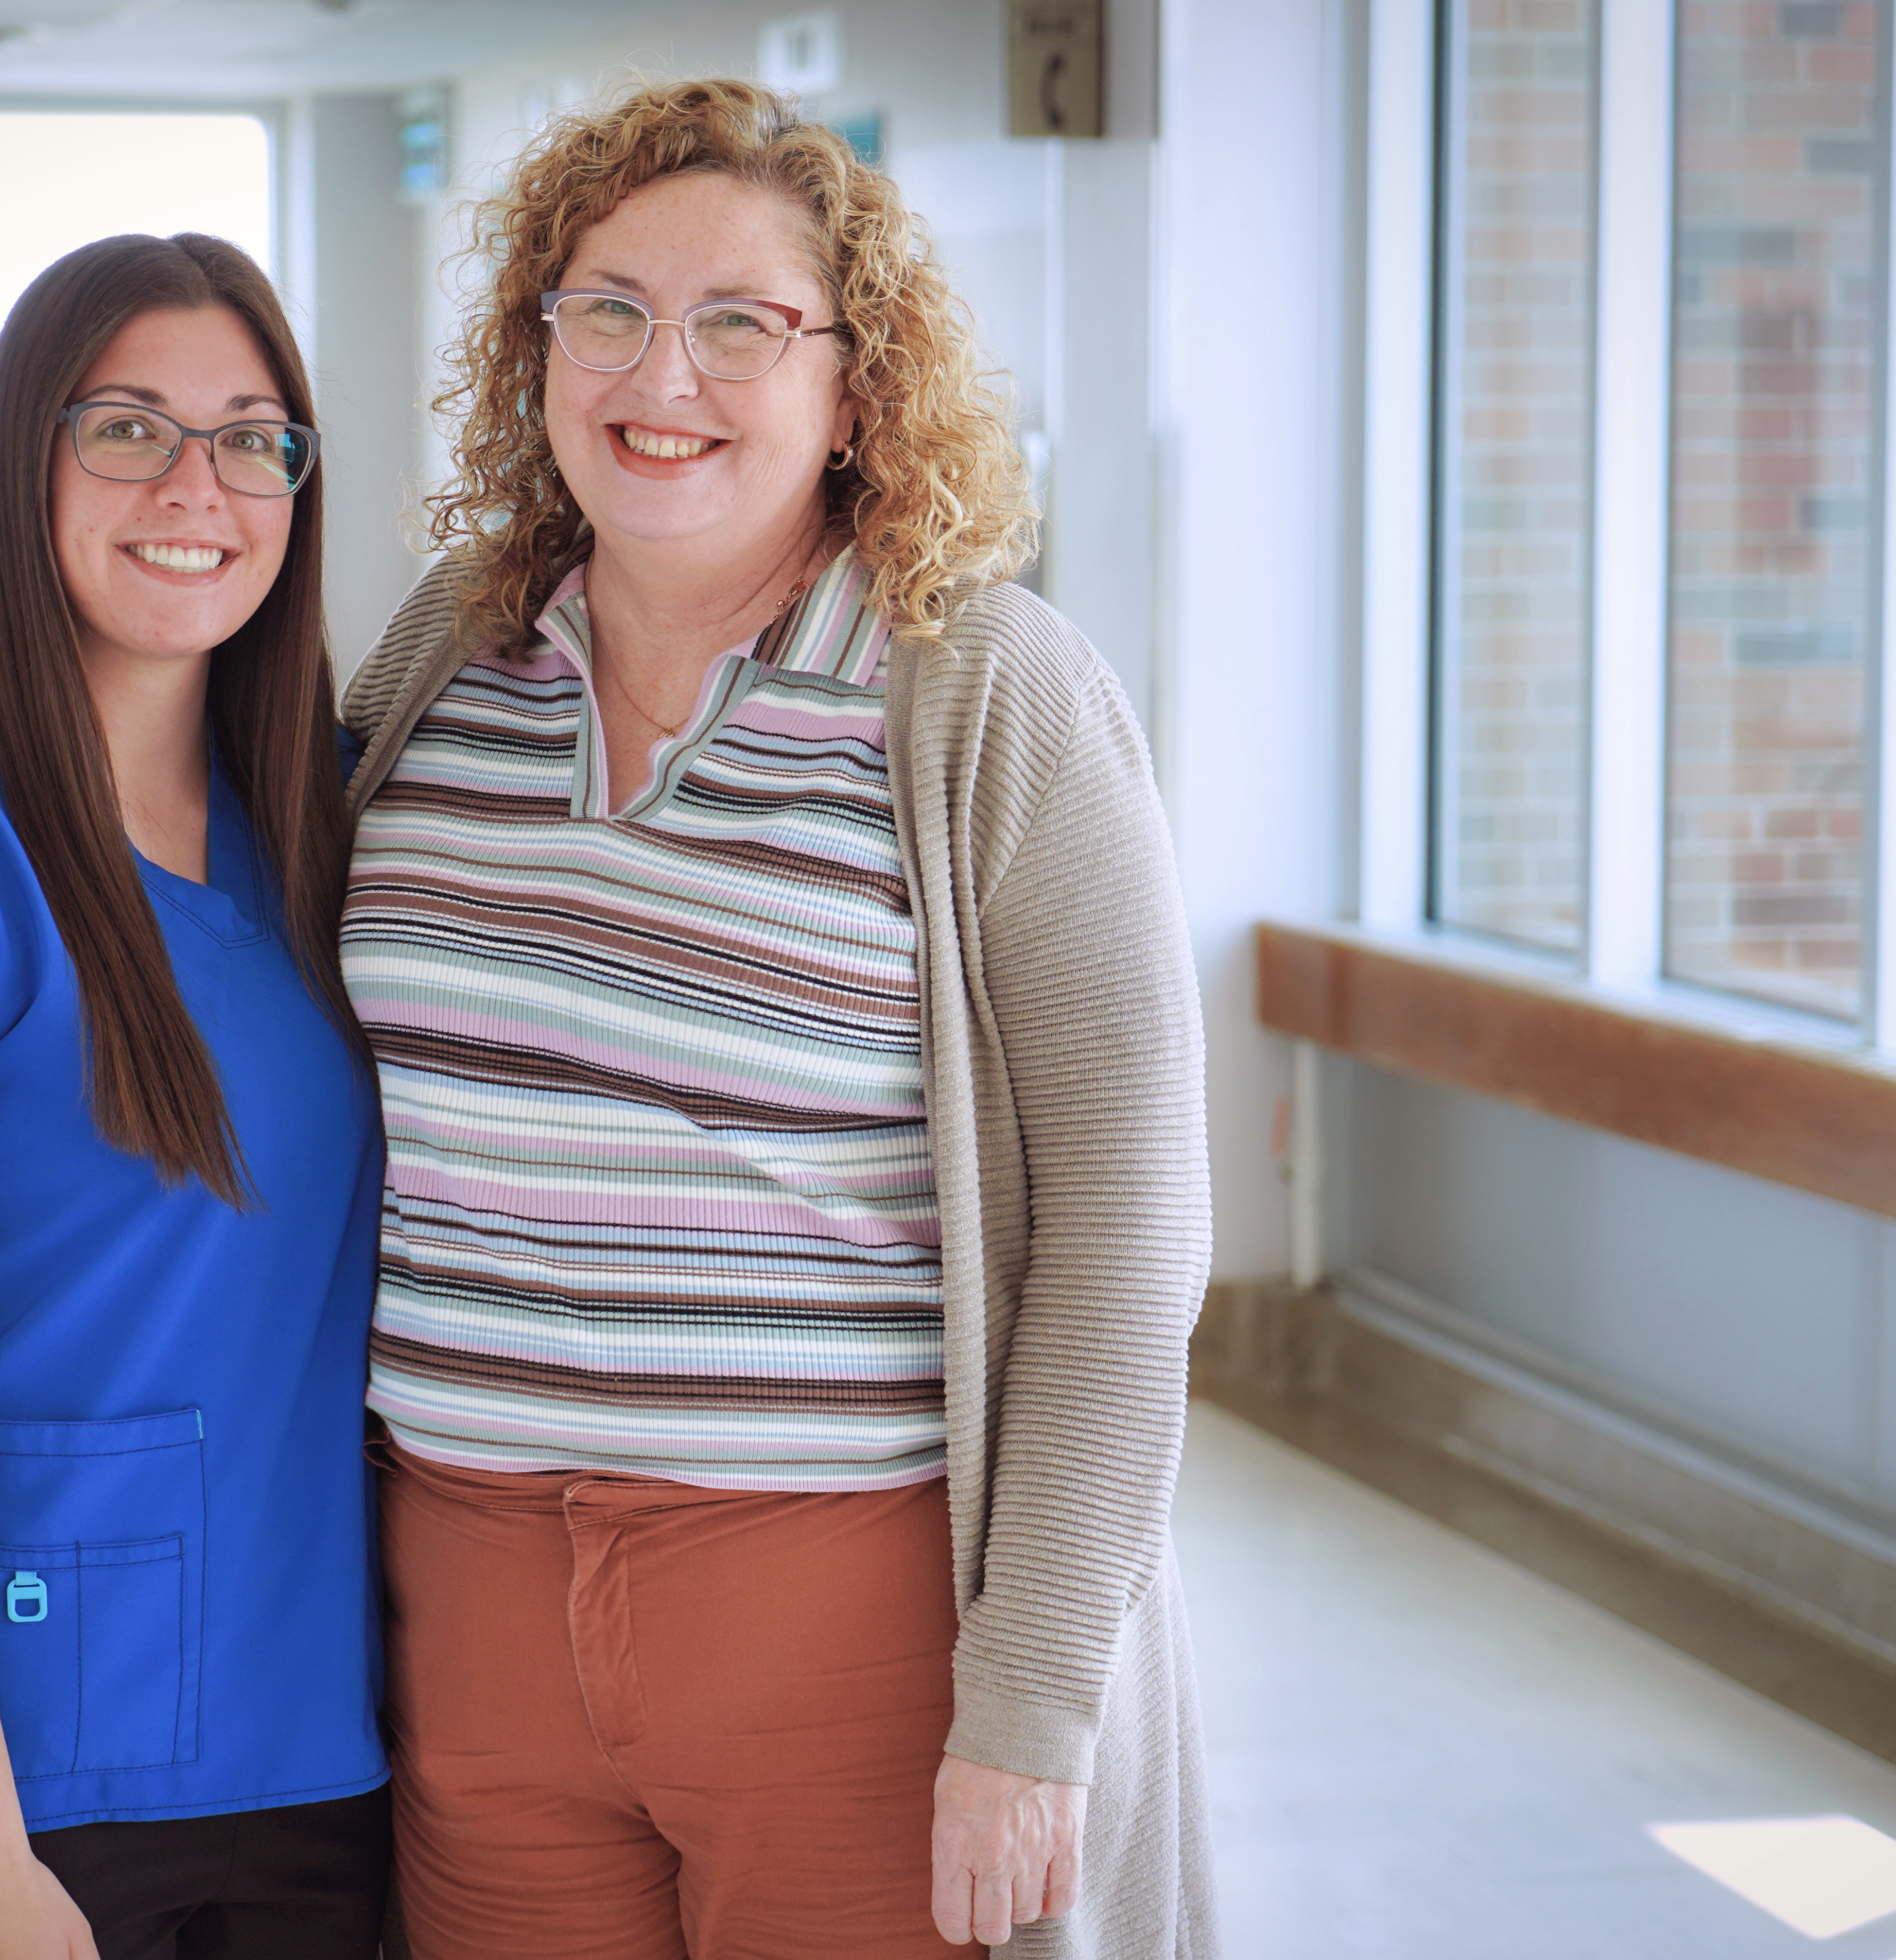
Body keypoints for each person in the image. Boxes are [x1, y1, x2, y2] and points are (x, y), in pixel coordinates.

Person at [339, 78, 1213, 1960]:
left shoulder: (984, 691)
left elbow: (1134, 1231)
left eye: (743, 321)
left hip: (844, 1632)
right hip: (464, 1612)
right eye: (610, 309)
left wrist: (1036, 1704)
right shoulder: (450, 648)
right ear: (539, 346)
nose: (667, 374)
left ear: (856, 379)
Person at [0, 231, 388, 1959]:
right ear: (21, 462)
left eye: (256, 436)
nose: (201, 483)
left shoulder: (325, 829)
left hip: (316, 1753)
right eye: (128, 427)